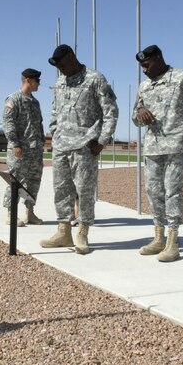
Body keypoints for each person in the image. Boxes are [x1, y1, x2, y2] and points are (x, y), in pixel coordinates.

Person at [132, 44, 183, 262]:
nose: (144, 70)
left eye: (147, 64)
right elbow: (135, 117)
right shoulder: (144, 87)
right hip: (153, 147)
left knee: (172, 191)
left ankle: (173, 241)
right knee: (153, 191)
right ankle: (158, 237)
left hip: (177, 145)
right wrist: (140, 111)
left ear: (159, 57)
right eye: (141, 67)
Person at [40, 44, 118, 253]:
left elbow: (110, 111)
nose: (62, 70)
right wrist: (54, 132)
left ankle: (82, 232)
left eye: (63, 65)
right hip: (61, 146)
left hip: (85, 146)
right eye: (58, 67)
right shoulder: (60, 82)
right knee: (61, 189)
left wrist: (102, 140)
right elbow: (55, 110)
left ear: (72, 56)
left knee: (84, 190)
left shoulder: (95, 79)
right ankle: (63, 232)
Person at [2, 68, 45, 225]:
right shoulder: (14, 99)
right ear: (28, 80)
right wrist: (15, 144)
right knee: (15, 180)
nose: (39, 84)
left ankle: (30, 213)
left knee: (34, 181)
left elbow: (39, 126)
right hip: (19, 149)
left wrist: (41, 147)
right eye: (37, 81)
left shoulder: (35, 102)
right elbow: (8, 123)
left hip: (35, 150)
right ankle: (10, 213)